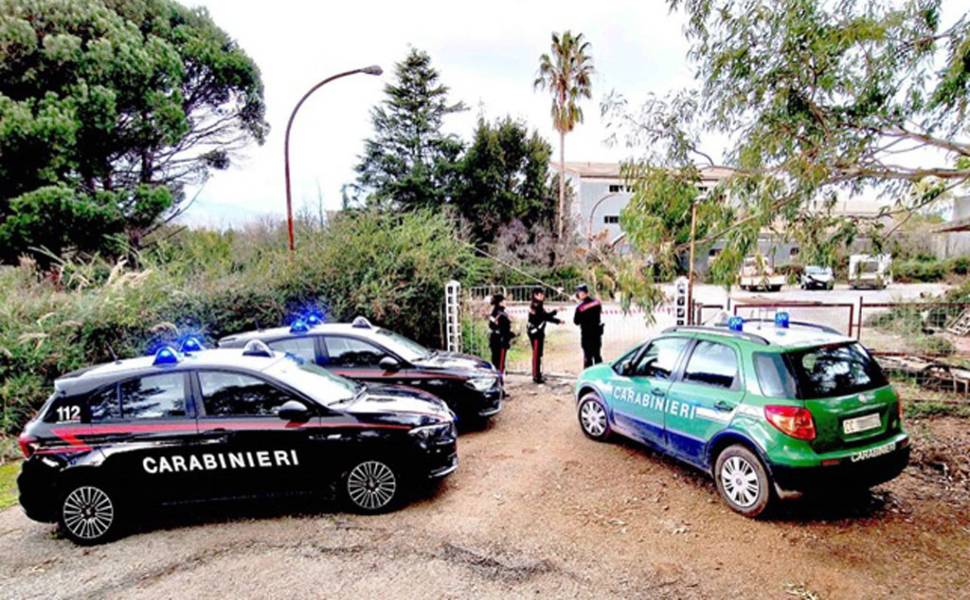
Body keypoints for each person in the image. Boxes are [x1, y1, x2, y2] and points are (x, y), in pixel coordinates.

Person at [527, 287, 562, 383]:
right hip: (535, 333)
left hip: (539, 332)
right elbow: (545, 317)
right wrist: (557, 317)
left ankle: (538, 374)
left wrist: (557, 317)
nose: (543, 296)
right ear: (535, 295)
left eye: (543, 294)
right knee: (536, 354)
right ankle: (536, 376)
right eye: (540, 294)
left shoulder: (538, 305)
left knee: (539, 354)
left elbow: (545, 316)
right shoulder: (535, 306)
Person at [573, 283, 603, 368]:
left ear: (581, 293)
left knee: (588, 357)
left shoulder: (580, 308)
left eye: (578, 292)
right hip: (597, 334)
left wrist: (579, 304)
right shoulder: (596, 303)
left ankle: (588, 376)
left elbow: (576, 322)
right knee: (597, 356)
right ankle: (600, 374)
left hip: (586, 335)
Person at [488, 293, 514, 380]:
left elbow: (491, 325)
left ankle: (497, 382)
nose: (505, 302)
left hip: (494, 339)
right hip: (501, 341)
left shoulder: (494, 313)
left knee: (495, 362)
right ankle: (499, 384)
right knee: (500, 364)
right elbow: (504, 329)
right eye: (504, 301)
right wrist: (511, 334)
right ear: (500, 302)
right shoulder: (501, 314)